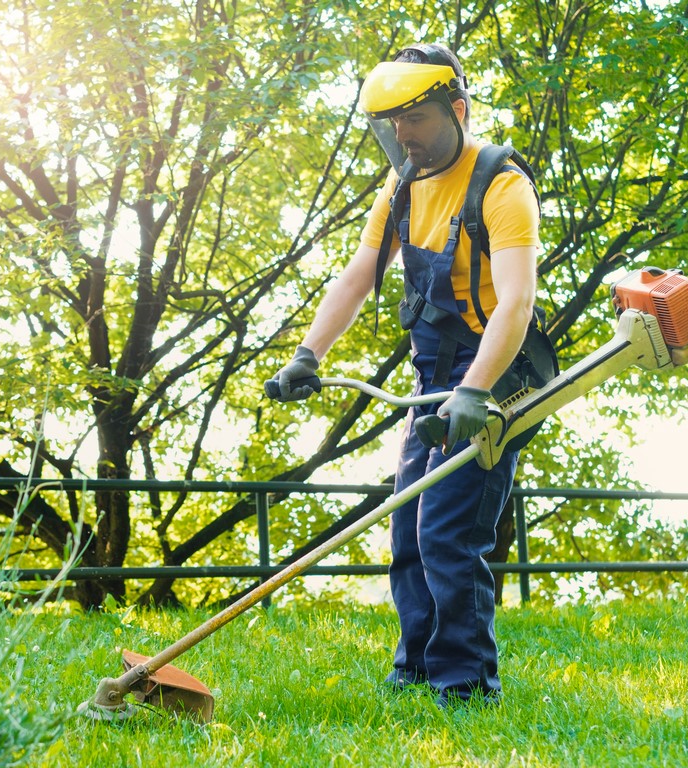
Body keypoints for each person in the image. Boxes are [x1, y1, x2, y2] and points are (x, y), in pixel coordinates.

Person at [265, 43, 541, 707]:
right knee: (409, 523)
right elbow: (361, 273)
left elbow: (517, 302)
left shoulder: (501, 184)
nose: (402, 135)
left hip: (493, 376)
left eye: (414, 118)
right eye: (389, 123)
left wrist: (476, 391)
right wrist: (308, 354)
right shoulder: (401, 187)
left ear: (457, 108)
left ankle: (466, 684)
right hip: (431, 376)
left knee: (449, 530)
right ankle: (415, 666)